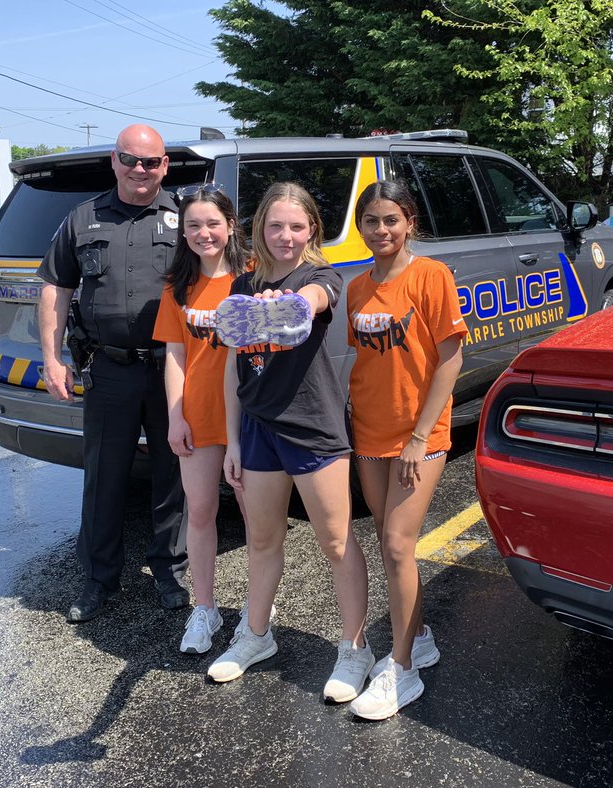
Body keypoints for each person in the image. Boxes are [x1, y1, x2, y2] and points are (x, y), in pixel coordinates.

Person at [206, 181, 373, 704]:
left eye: (296, 226)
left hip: (312, 428)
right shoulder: (240, 289)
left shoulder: (320, 276)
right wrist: (232, 443)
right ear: (259, 228)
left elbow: (312, 301)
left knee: (336, 541)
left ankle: (355, 648)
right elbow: (235, 376)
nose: (286, 235)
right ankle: (257, 635)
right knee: (261, 540)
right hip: (258, 432)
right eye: (275, 225)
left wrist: (287, 308)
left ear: (312, 232)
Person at [38, 123, 188, 623]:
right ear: (114, 161)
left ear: (164, 165)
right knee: (103, 478)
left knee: (173, 474)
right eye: (130, 159)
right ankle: (99, 578)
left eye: (150, 161)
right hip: (110, 368)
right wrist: (52, 358)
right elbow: (55, 288)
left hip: (173, 368)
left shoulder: (187, 218)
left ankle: (170, 570)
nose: (140, 170)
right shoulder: (82, 219)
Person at [344, 180, 465, 720]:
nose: (380, 230)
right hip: (368, 432)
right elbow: (367, 362)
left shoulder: (430, 276)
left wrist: (419, 436)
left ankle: (402, 670)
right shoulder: (355, 287)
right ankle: (417, 636)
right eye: (371, 220)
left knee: (397, 544)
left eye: (391, 220)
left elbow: (450, 358)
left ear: (409, 222)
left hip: (420, 437)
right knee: (386, 542)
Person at [153, 185, 250, 653]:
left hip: (246, 419)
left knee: (257, 517)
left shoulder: (252, 278)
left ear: (230, 225)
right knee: (202, 512)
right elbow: (174, 354)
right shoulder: (178, 283)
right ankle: (205, 608)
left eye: (212, 223)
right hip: (196, 416)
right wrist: (176, 416)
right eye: (193, 225)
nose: (203, 233)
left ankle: (257, 608)